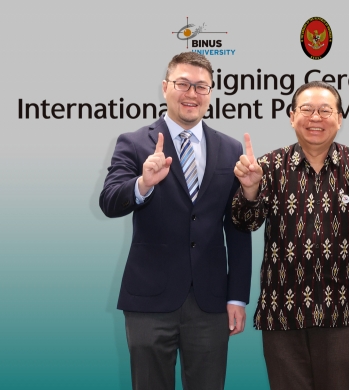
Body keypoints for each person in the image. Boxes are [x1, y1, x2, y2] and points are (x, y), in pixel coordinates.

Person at [231, 81, 349, 390]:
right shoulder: (269, 166)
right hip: (281, 311)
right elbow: (246, 223)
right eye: (307, 110)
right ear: (291, 116)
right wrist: (249, 190)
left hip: (341, 310)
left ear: (339, 118)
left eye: (326, 110)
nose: (316, 118)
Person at [99, 52, 251, 390]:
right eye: (183, 84)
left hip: (210, 303)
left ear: (210, 94)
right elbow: (109, 201)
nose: (192, 94)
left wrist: (237, 296)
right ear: (166, 87)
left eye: (201, 87)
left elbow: (238, 229)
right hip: (149, 301)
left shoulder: (230, 149)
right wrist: (142, 184)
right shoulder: (134, 143)